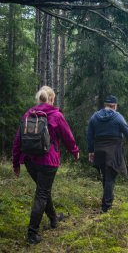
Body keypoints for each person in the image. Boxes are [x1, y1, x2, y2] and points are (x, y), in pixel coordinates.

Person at [12, 86, 80, 245]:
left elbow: (17, 141)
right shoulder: (56, 115)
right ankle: (32, 234)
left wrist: (16, 163)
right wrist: (75, 151)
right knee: (42, 193)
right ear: (51, 99)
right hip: (48, 162)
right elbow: (68, 137)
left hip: (29, 161)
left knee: (43, 190)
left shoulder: (28, 114)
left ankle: (54, 219)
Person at [87, 95, 128, 213]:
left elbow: (89, 136)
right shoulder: (118, 117)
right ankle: (106, 206)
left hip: (99, 150)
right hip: (113, 151)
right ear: (114, 106)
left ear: (105, 105)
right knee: (110, 178)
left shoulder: (95, 117)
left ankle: (107, 200)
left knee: (106, 176)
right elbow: (127, 130)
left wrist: (90, 151)